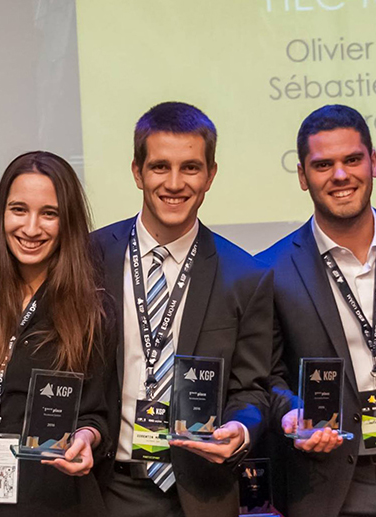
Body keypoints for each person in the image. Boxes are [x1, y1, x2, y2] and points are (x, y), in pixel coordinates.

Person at [92, 101, 273, 516]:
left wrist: (240, 429)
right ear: (137, 171)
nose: (174, 183)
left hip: (201, 494)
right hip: (105, 490)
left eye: (190, 167)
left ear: (210, 174)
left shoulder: (246, 275)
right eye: (160, 167)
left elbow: (252, 388)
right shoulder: (90, 257)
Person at [257, 104, 376, 517]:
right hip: (330, 486)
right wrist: (292, 412)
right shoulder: (272, 269)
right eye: (323, 164)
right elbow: (267, 376)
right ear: (302, 176)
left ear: (374, 163)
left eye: (352, 160)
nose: (341, 175)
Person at [0, 151, 113, 517]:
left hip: (52, 497)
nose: (31, 228)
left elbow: (96, 415)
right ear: (0, 216)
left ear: (68, 223)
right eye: (18, 209)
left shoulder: (90, 308)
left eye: (49, 214)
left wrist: (85, 438)